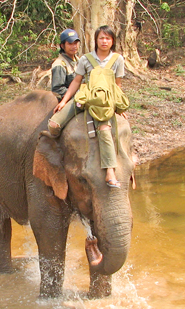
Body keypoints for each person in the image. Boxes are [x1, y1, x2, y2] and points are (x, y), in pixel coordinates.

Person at [48, 25, 128, 188]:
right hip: (85, 96)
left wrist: (118, 106)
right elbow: (77, 81)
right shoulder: (85, 59)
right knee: (54, 125)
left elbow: (117, 85)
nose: (104, 41)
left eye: (108, 38)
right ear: (96, 40)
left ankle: (110, 172)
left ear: (112, 41)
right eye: (101, 38)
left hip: (104, 101)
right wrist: (64, 101)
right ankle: (61, 160)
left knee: (104, 131)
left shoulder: (117, 60)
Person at [51, 29, 80, 102]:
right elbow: (57, 89)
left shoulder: (79, 60)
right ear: (62, 46)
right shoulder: (59, 64)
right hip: (68, 100)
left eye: (76, 43)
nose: (74, 46)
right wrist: (76, 94)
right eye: (70, 44)